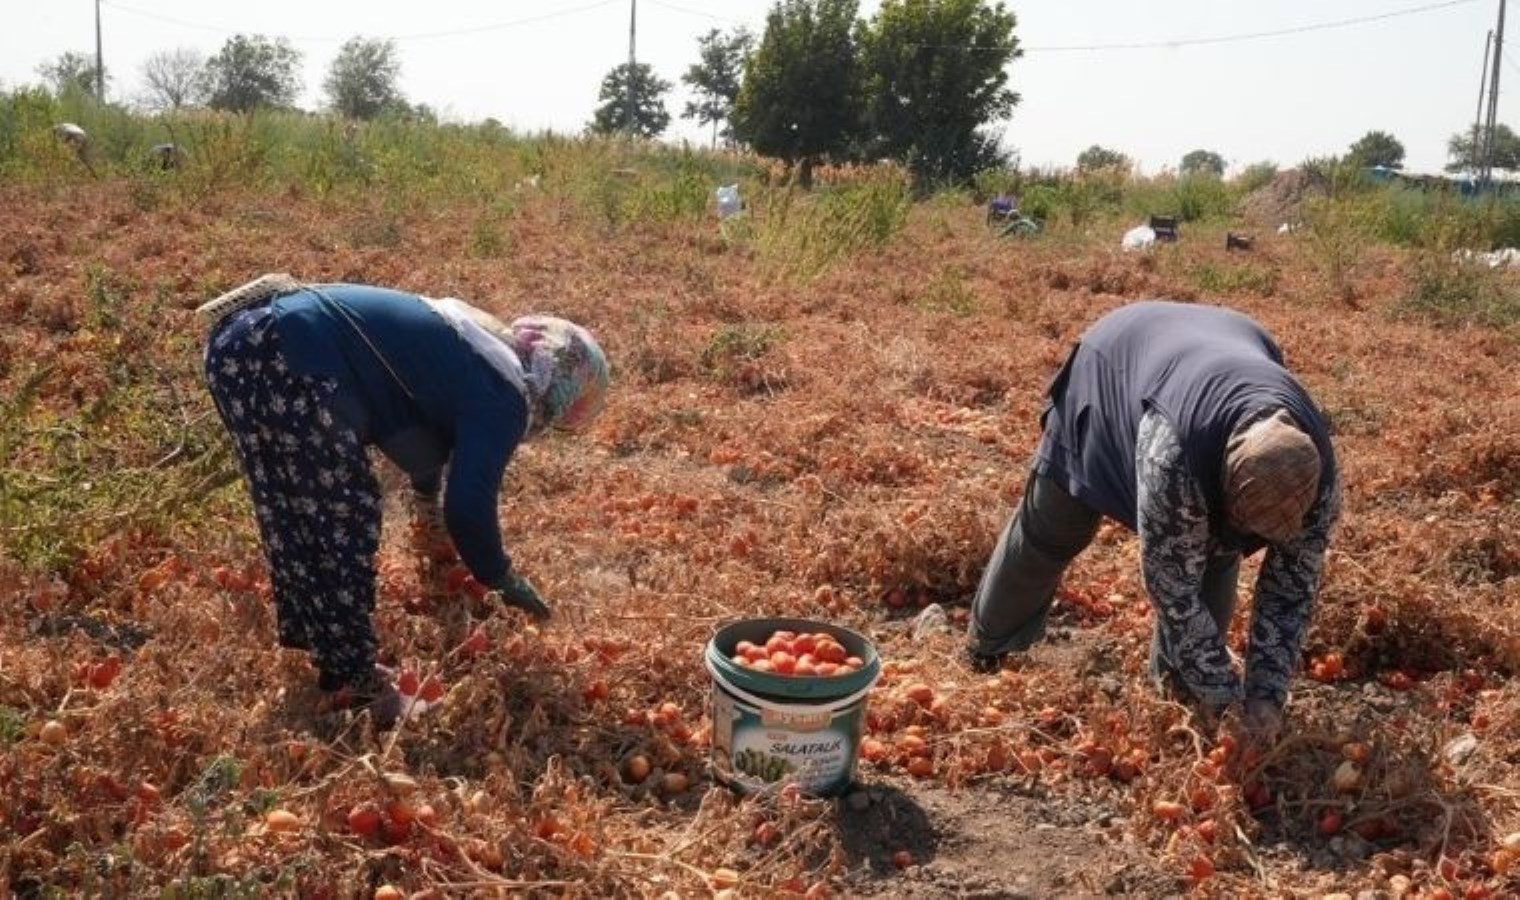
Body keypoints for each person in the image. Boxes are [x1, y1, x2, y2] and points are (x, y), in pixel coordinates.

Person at [201, 278, 609, 725]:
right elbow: (469, 506)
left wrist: (424, 499)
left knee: (295, 508)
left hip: (242, 344)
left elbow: (418, 425)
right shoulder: (506, 395)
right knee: (342, 516)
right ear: (564, 390)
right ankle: (356, 685)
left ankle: (334, 658)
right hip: (289, 354)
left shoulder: (481, 350)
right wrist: (501, 578)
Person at [966, 300, 1340, 745]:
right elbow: (1172, 587)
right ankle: (992, 646)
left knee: (1216, 555)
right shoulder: (1174, 457)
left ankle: (1177, 699)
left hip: (1215, 350)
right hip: (1113, 367)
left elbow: (1290, 592)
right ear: (1223, 482)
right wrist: (1225, 696)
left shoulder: (1318, 480)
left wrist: (1264, 698)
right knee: (1054, 527)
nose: (1251, 541)